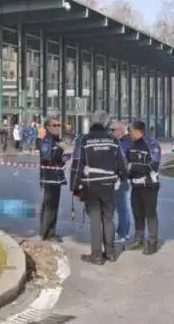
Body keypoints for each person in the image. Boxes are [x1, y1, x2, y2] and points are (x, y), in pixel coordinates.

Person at [70, 110, 127, 265]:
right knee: (108, 219)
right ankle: (110, 253)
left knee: (95, 220)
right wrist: (122, 179)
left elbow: (77, 164)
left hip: (91, 185)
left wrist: (74, 187)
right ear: (106, 123)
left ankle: (96, 256)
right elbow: (122, 163)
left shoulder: (84, 140)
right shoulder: (113, 140)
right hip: (109, 186)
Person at [125, 120, 162, 255]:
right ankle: (138, 240)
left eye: (130, 131)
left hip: (149, 185)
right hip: (135, 185)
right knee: (137, 214)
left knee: (150, 214)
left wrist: (133, 167)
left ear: (136, 131)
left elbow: (154, 165)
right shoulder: (131, 144)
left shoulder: (152, 144)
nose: (129, 134)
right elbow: (126, 163)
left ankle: (152, 242)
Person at [39, 117, 67, 242]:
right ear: (48, 127)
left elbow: (58, 159)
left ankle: (50, 232)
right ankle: (46, 234)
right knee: (49, 207)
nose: (57, 127)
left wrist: (65, 156)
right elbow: (46, 159)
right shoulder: (47, 141)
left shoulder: (56, 140)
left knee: (53, 206)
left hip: (57, 177)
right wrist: (60, 150)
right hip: (50, 178)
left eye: (58, 125)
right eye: (54, 125)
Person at [109, 120, 132, 244]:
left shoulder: (124, 143)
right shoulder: (125, 142)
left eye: (113, 130)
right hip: (122, 178)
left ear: (121, 130)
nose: (111, 132)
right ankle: (125, 232)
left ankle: (122, 233)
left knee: (120, 207)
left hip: (119, 178)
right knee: (122, 206)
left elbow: (122, 162)